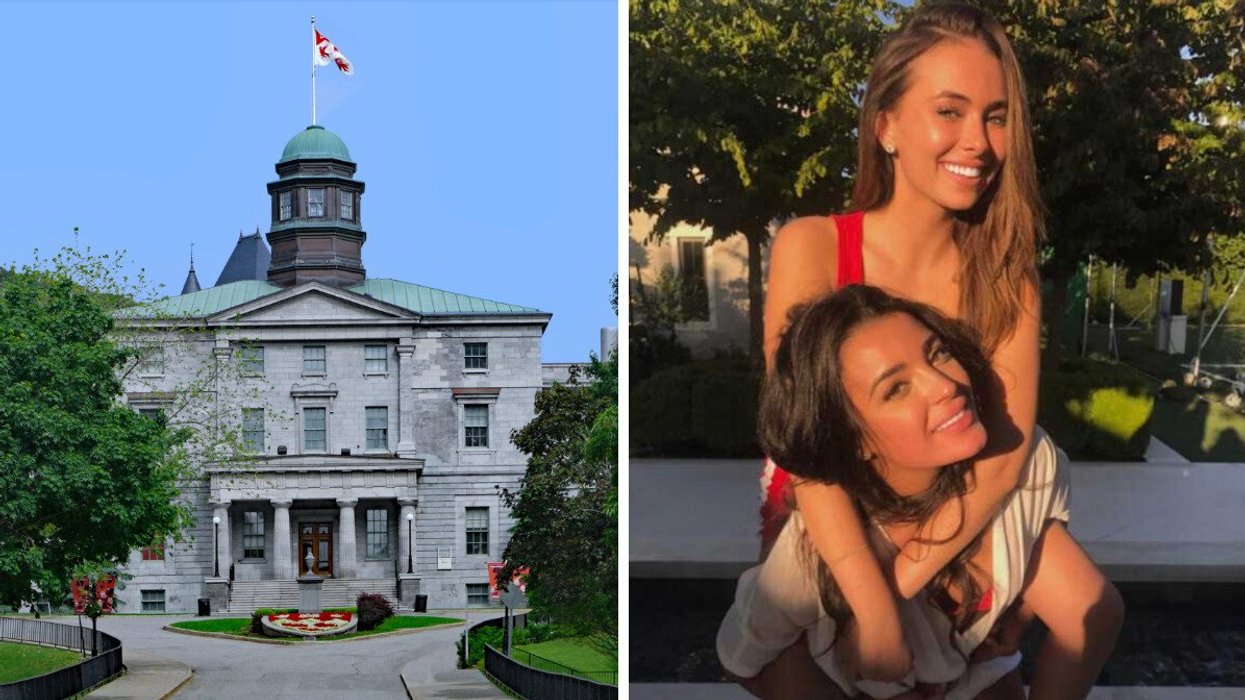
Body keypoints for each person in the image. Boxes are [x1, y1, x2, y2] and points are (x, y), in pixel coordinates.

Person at [755, 1, 1120, 688]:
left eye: (995, 115)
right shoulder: (814, 246)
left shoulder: (1004, 270)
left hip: (962, 498)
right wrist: (877, 600)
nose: (977, 141)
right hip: (837, 501)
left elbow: (1005, 442)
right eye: (949, 112)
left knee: (1092, 611)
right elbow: (803, 444)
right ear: (885, 126)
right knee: (798, 660)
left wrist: (928, 569)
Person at [721, 286, 1122, 699]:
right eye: (896, 388)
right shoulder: (808, 560)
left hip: (967, 669)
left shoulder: (1029, 464)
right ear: (855, 440)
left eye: (938, 353)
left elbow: (1072, 589)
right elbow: (742, 659)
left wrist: (1018, 619)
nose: (944, 385)